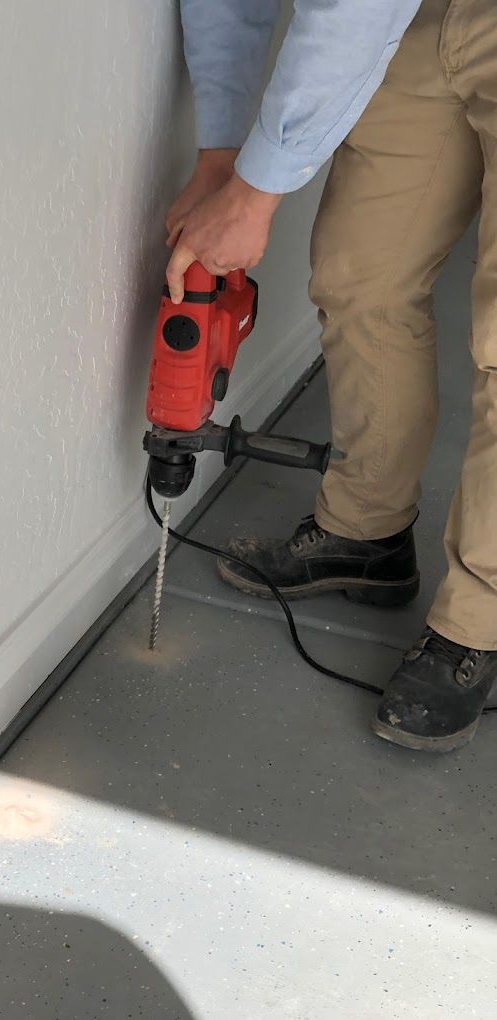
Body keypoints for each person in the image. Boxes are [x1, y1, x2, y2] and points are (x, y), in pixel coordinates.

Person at [169, 0, 497, 753]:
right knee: (359, 284)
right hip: (415, 21)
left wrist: (253, 195)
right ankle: (365, 532)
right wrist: (219, 156)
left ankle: (475, 622)